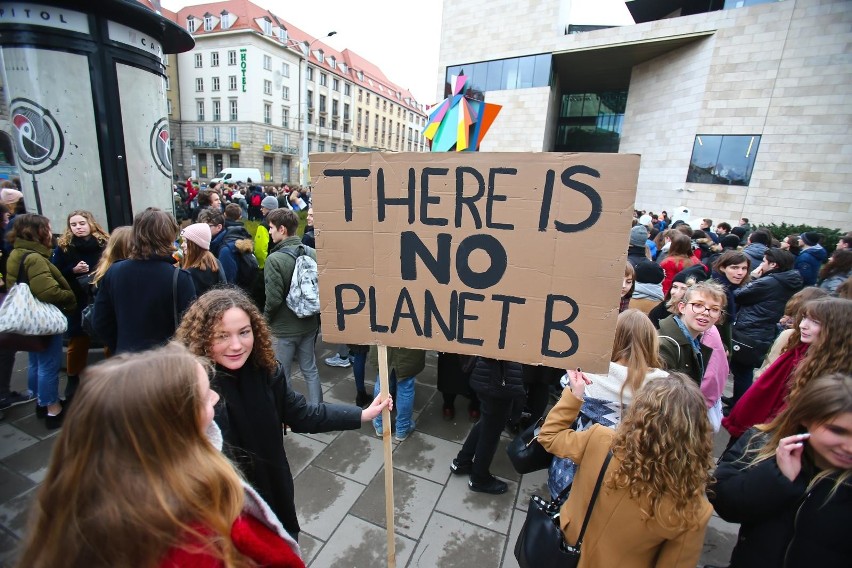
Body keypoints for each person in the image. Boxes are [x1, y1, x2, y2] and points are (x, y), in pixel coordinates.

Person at [15, 343, 306, 568]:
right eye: (205, 396)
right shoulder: (201, 542)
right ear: (171, 424)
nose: (216, 398)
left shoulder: (95, 508)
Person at [175, 288, 390, 538]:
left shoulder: (266, 371)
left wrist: (361, 414)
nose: (236, 345)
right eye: (222, 336)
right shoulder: (194, 388)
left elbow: (302, 414)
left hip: (274, 496)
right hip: (225, 515)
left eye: (244, 333)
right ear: (201, 337)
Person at [538, 372, 713, 567]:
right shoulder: (692, 510)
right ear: (698, 434)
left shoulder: (600, 440)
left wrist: (575, 394)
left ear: (639, 410)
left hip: (560, 553)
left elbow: (549, 436)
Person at [710, 373, 852, 568]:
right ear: (806, 418)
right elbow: (723, 499)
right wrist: (776, 478)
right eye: (837, 431)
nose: (849, 447)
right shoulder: (762, 444)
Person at [547, 309, 668, 498]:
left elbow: (553, 430)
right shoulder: (665, 387)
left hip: (577, 463)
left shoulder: (586, 374)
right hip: (628, 473)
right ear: (652, 342)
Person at [723, 297, 852, 440]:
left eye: (815, 322)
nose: (803, 325)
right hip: (756, 430)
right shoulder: (796, 352)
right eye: (804, 318)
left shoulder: (833, 376)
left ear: (838, 329)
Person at [5, 214, 76, 429]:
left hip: (28, 317)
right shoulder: (35, 258)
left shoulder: (16, 253)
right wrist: (68, 296)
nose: (50, 230)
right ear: (37, 231)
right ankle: (53, 408)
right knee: (48, 364)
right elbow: (48, 291)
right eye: (47, 227)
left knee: (35, 360)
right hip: (41, 318)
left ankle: (39, 400)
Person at [92, 208, 196, 354]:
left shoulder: (114, 272)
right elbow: (191, 326)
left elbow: (100, 321)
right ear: (169, 236)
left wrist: (121, 345)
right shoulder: (179, 277)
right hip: (167, 363)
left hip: (127, 359)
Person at [727, 248, 803, 406]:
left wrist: (753, 277)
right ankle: (737, 399)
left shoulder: (769, 282)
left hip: (750, 329)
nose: (762, 264)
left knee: (742, 370)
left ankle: (738, 404)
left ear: (773, 264)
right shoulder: (789, 280)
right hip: (763, 329)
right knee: (743, 369)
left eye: (764, 261)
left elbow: (739, 295)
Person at [263, 208, 323, 404]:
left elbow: (273, 300)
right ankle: (318, 410)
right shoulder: (313, 253)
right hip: (310, 325)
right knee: (310, 369)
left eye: (271, 228)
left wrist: (264, 322)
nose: (269, 232)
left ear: (282, 229)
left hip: (284, 330)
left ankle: (289, 412)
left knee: (283, 373)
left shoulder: (274, 259)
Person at [51, 210, 109, 402]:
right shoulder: (64, 247)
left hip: (100, 296)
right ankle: (73, 377)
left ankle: (113, 374)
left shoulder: (104, 243)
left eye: (82, 223)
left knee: (108, 336)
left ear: (91, 223)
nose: (78, 227)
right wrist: (72, 270)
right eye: (74, 225)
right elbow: (56, 272)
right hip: (77, 299)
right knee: (77, 340)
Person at [450, 357, 525, 494]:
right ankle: (479, 478)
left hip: (490, 375)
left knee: (488, 420)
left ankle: (462, 461)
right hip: (497, 379)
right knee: (491, 431)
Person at [657, 281, 724, 385]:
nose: (706, 312)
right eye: (698, 305)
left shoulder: (696, 343)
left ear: (719, 316)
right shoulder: (664, 345)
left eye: (714, 309)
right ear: (682, 307)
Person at [370, 346, 425, 442]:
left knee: (383, 381)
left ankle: (381, 424)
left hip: (383, 342)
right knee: (405, 386)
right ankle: (402, 429)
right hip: (408, 350)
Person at [710, 250, 750, 349]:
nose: (740, 273)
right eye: (734, 267)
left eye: (744, 268)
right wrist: (722, 346)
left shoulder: (730, 288)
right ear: (722, 267)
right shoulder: (715, 290)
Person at [179, 223, 224, 297]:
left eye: (186, 242)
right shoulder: (215, 262)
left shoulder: (192, 271)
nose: (182, 245)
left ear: (196, 244)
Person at [660, 231, 698, 296]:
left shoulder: (668, 262)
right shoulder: (696, 261)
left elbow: (667, 282)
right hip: (688, 294)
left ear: (673, 245)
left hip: (671, 293)